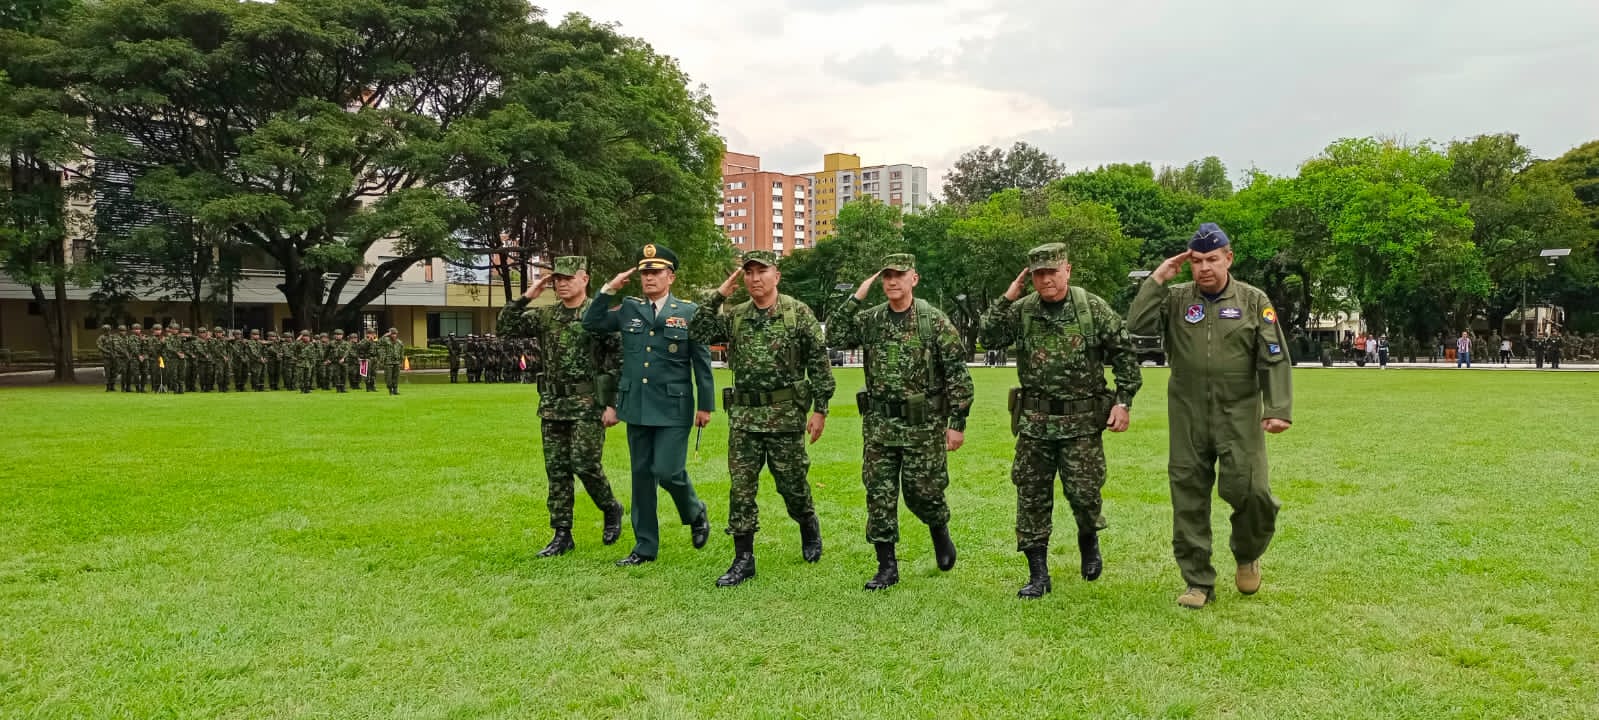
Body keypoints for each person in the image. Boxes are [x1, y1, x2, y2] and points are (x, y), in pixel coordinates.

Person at [1128, 223, 1292, 610]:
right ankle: (1197, 581)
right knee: (1188, 495)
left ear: (1228, 258)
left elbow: (1273, 356)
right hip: (1187, 412)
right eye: (1197, 261)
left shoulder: (1253, 300)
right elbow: (1137, 325)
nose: (1204, 268)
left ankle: (1247, 553)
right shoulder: (1176, 299)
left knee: (1253, 492)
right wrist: (1157, 280)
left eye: (1212, 259)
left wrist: (1278, 408)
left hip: (1239, 412)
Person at [980, 243, 1141, 598]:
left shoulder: (1091, 308)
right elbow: (987, 336)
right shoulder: (1023, 310)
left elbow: (1125, 355)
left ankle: (1088, 538)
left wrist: (1123, 402)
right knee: (1031, 496)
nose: (1046, 280)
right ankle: (1038, 574)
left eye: (1052, 272)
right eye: (1038, 274)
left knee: (1084, 494)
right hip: (1035, 423)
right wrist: (1007, 298)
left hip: (1081, 424)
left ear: (1067, 269)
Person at [826, 253, 975, 591]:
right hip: (880, 425)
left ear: (914, 279)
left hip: (923, 426)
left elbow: (958, 375)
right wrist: (857, 296)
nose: (892, 281)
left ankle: (939, 530)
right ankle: (886, 567)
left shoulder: (933, 321)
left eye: (899, 275)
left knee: (923, 492)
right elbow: (833, 334)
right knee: (879, 495)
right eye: (887, 276)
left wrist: (957, 422)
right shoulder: (871, 320)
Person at [689, 250, 836, 587]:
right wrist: (719, 295)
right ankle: (743, 559)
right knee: (741, 489)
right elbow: (697, 331)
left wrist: (821, 409)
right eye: (749, 272)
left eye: (762, 271)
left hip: (784, 418)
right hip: (744, 418)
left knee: (792, 486)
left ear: (776, 276)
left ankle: (807, 523)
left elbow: (819, 364)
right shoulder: (737, 316)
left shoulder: (797, 314)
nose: (755, 278)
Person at [583, 244, 715, 567]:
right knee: (642, 477)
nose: (649, 278)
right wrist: (608, 289)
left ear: (671, 277)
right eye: (645, 273)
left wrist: (706, 405)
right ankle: (645, 547)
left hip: (673, 406)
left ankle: (695, 511)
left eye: (656, 272)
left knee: (668, 471)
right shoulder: (629, 309)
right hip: (638, 405)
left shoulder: (688, 312)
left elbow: (701, 361)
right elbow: (592, 322)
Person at [498, 256, 626, 557]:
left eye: (568, 278)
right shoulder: (546, 315)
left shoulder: (598, 315)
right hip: (553, 403)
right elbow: (505, 327)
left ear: (584, 279)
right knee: (557, 470)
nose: (562, 284)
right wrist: (528, 295)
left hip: (588, 403)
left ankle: (610, 507)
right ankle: (562, 534)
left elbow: (618, 360)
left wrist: (613, 405)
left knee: (585, 463)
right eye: (557, 279)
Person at [379, 327, 405, 394]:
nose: (394, 335)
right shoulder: (386, 340)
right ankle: (390, 389)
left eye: (395, 334)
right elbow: (379, 342)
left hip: (397, 362)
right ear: (390, 334)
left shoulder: (399, 342)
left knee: (396, 377)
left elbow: (402, 352)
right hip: (388, 362)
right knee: (388, 377)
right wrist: (385, 335)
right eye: (392, 334)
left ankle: (395, 390)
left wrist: (401, 361)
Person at [97, 324, 118, 392]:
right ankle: (108, 386)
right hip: (106, 357)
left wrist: (115, 353)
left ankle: (112, 386)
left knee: (114, 372)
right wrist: (107, 351)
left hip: (113, 357)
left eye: (108, 330)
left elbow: (116, 345)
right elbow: (100, 347)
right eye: (106, 330)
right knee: (107, 372)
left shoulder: (112, 337)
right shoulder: (101, 338)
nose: (107, 331)